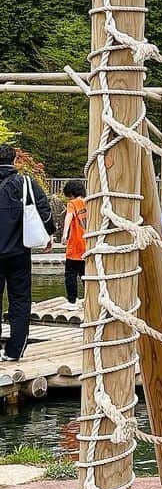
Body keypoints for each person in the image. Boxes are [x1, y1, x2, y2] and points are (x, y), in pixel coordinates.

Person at [0, 144, 57, 362]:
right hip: (18, 250)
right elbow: (44, 210)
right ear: (15, 160)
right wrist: (49, 233)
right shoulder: (24, 183)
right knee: (20, 300)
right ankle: (15, 350)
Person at [60, 179, 87, 306]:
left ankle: (72, 301)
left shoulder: (72, 203)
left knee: (70, 274)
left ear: (71, 193)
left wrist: (64, 234)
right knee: (85, 274)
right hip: (88, 245)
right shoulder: (89, 202)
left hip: (75, 245)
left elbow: (69, 217)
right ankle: (89, 298)